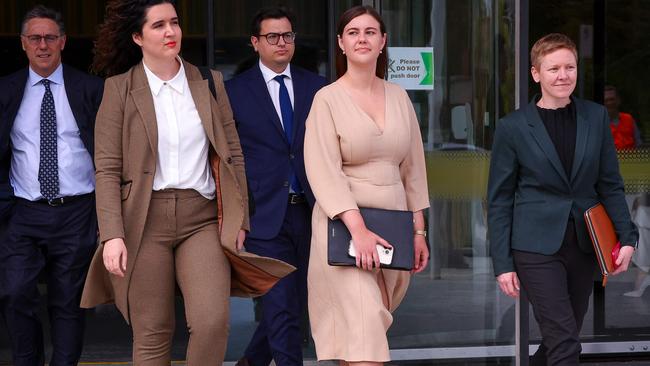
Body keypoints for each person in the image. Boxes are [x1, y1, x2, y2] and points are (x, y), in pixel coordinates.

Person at [78, 0, 254, 364]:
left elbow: (232, 155)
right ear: (138, 36)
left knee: (212, 322)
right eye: (158, 25)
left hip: (201, 218)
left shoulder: (208, 82)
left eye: (174, 22)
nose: (170, 31)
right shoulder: (119, 89)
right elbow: (107, 168)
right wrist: (111, 234)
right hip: (143, 221)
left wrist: (241, 220)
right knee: (153, 330)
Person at [488, 33, 638, 366]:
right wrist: (502, 263)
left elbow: (610, 183)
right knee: (565, 343)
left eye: (569, 67)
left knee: (562, 337)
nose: (563, 75)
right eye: (553, 68)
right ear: (536, 74)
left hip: (584, 245)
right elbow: (499, 199)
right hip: (534, 248)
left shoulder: (595, 117)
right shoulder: (512, 127)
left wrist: (627, 236)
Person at [303, 5, 429, 364]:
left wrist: (418, 232)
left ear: (383, 41)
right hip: (346, 231)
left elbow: (414, 170)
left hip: (394, 229)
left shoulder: (400, 96)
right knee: (365, 329)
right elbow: (323, 171)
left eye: (370, 32)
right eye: (353, 32)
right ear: (341, 43)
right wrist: (358, 231)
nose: (362, 38)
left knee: (361, 337)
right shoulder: (326, 100)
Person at [0, 5, 103, 366]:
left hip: (76, 212)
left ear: (62, 41)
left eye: (49, 37)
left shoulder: (91, 89)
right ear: (23, 44)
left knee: (68, 302)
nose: (42, 45)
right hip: (23, 212)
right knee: (14, 294)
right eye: (34, 38)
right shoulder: (5, 90)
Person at [225, 6, 327, 366]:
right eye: (272, 36)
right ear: (255, 43)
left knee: (294, 306)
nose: (281, 42)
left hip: (311, 212)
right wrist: (236, 219)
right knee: (281, 310)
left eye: (287, 36)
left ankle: (250, 362)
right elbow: (227, 163)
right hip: (264, 217)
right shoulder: (233, 92)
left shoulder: (318, 88)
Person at [603, 85, 642, 150]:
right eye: (606, 100)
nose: (609, 103)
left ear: (618, 100)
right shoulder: (599, 123)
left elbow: (639, 144)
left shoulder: (629, 119)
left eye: (612, 99)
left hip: (631, 159)